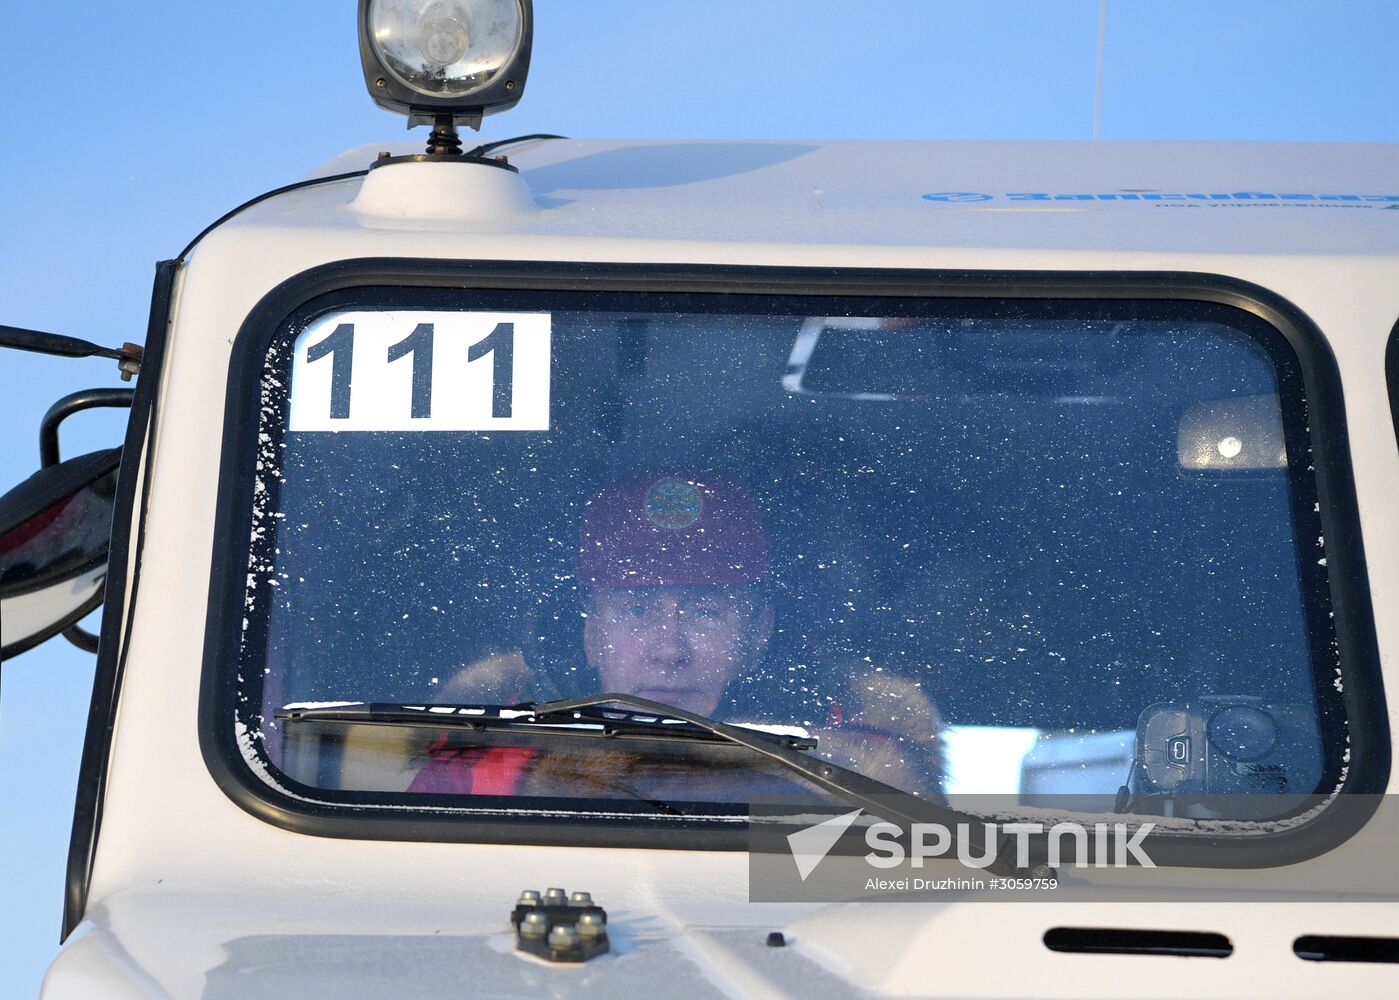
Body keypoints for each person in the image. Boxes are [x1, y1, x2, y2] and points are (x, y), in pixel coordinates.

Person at [409, 473, 943, 798]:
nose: (669, 650)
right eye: (637, 610)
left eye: (705, 612)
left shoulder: (864, 778)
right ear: (590, 634)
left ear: (757, 636)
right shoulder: (475, 761)